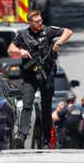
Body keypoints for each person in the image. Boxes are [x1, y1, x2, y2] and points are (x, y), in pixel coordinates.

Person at [8, 10, 74, 149]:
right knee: (27, 105)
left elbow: (68, 31)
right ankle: (21, 136)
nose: (40, 23)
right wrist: (21, 51)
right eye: (37, 21)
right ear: (30, 22)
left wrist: (59, 43)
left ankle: (46, 140)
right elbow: (10, 49)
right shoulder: (23, 35)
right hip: (30, 75)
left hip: (46, 74)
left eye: (40, 20)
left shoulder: (48, 31)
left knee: (46, 108)